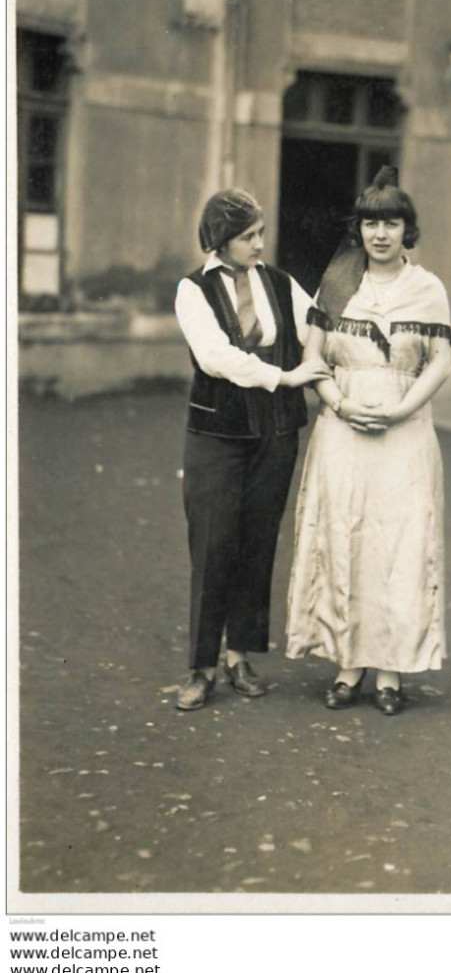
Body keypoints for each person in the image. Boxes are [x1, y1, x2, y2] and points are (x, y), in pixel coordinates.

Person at [286, 166, 451, 715]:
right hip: (344, 430)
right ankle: (347, 666)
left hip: (405, 434)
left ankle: (389, 673)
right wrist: (339, 403)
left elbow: (440, 361)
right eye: (370, 224)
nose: (380, 235)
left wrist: (403, 408)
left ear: (408, 230)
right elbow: (313, 358)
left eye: (392, 224)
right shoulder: (334, 284)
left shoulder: (428, 289)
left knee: (400, 546)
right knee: (345, 538)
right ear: (357, 230)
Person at [174, 189, 329, 711]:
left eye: (261, 233)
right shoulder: (192, 291)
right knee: (213, 545)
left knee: (258, 543)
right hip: (217, 435)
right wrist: (288, 376)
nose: (260, 244)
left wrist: (333, 360)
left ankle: (239, 655)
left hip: (275, 434)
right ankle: (201, 667)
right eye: (248, 237)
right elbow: (217, 358)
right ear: (221, 241)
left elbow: (321, 322)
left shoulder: (280, 283)